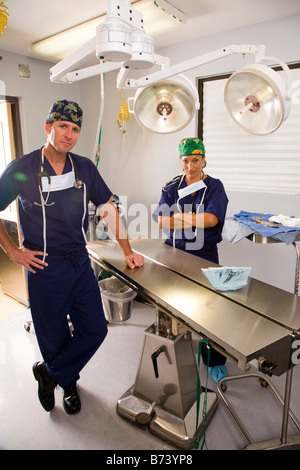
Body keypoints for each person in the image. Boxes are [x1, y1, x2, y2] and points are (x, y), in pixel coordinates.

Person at [0, 99, 144, 414]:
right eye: (63, 126)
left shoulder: (84, 168)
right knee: (53, 337)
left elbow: (108, 209)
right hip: (43, 266)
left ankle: (49, 373)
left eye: (75, 129)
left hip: (79, 262)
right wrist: (13, 251)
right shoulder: (22, 169)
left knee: (95, 329)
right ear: (48, 127)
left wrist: (128, 250)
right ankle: (69, 384)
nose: (69, 134)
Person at [152, 137, 228, 382]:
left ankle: (213, 358)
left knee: (211, 309)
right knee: (171, 305)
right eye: (186, 161)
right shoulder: (171, 187)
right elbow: (162, 220)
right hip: (173, 252)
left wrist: (179, 217)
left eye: (195, 160)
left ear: (204, 159)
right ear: (181, 161)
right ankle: (172, 352)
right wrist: (194, 217)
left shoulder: (215, 187)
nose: (190, 166)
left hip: (204, 253)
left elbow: (211, 220)